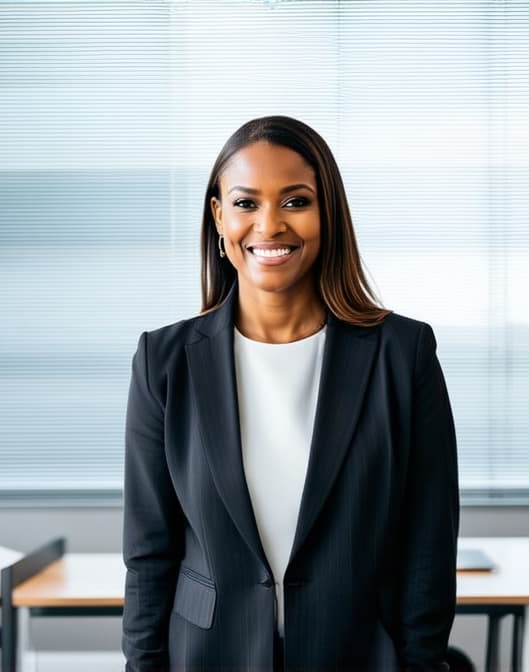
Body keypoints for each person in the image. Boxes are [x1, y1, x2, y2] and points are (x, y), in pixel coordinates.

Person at [123, 115, 459, 672]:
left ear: (328, 214)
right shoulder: (164, 362)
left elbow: (428, 548)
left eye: (296, 201)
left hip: (358, 655)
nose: (270, 225)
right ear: (218, 216)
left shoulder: (404, 355)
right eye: (247, 203)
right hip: (208, 657)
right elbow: (149, 555)